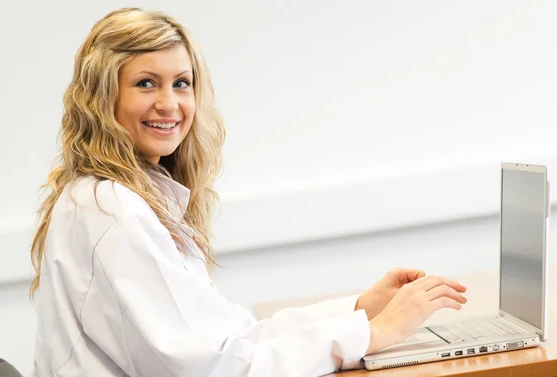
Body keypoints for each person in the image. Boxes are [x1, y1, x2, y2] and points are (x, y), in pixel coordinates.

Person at [30, 7, 468, 377]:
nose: (170, 104)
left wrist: (360, 309)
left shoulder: (114, 197)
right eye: (146, 83)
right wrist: (374, 334)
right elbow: (216, 368)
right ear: (103, 98)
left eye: (181, 83)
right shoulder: (114, 212)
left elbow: (231, 336)